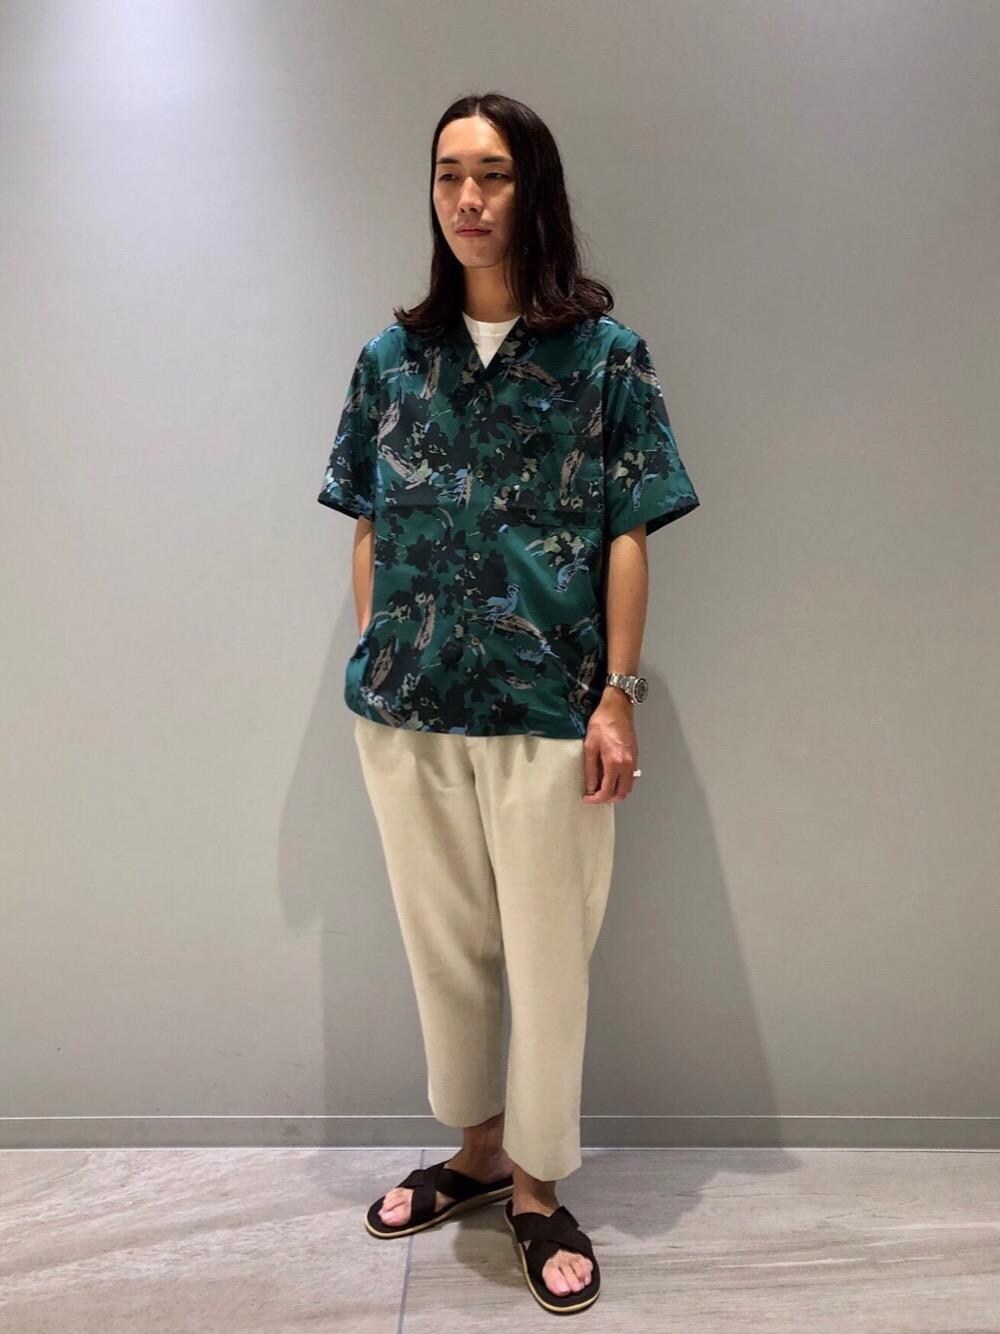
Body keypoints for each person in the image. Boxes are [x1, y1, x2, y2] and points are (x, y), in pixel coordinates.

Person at [317, 91, 700, 1316]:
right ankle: (476, 1151)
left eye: (490, 174)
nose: (467, 198)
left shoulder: (604, 356)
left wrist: (617, 694)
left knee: (546, 954)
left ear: (533, 189)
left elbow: (627, 527)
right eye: (447, 175)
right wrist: (381, 646)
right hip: (410, 707)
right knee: (445, 948)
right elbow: (367, 515)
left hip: (548, 704)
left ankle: (537, 1184)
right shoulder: (390, 360)